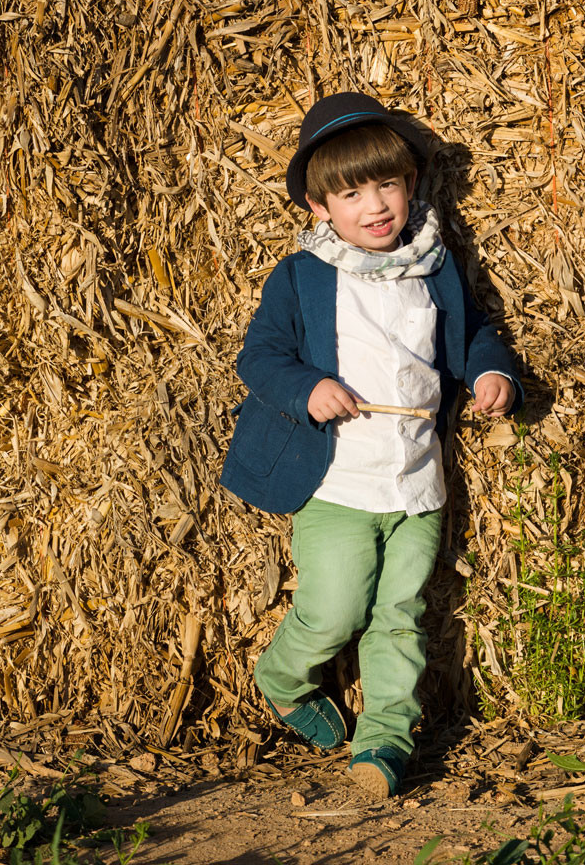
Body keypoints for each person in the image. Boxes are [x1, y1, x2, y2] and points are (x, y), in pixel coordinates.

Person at [221, 91, 520, 799]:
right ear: (319, 207)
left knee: (401, 613)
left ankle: (384, 736)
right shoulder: (302, 275)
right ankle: (284, 677)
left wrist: (490, 369)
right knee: (335, 605)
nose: (375, 204)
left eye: (387, 183)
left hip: (415, 481)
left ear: (411, 184)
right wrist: (307, 388)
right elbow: (258, 356)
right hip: (337, 482)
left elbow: (469, 332)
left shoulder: (434, 265)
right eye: (352, 192)